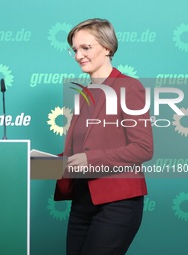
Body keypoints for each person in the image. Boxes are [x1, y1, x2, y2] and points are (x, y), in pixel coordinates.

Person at [54, 18, 154, 255]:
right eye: (75, 50)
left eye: (86, 48)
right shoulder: (85, 94)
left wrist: (91, 160)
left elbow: (143, 148)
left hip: (117, 203)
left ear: (107, 47)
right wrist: (33, 166)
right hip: (81, 202)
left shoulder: (129, 88)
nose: (79, 55)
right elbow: (74, 157)